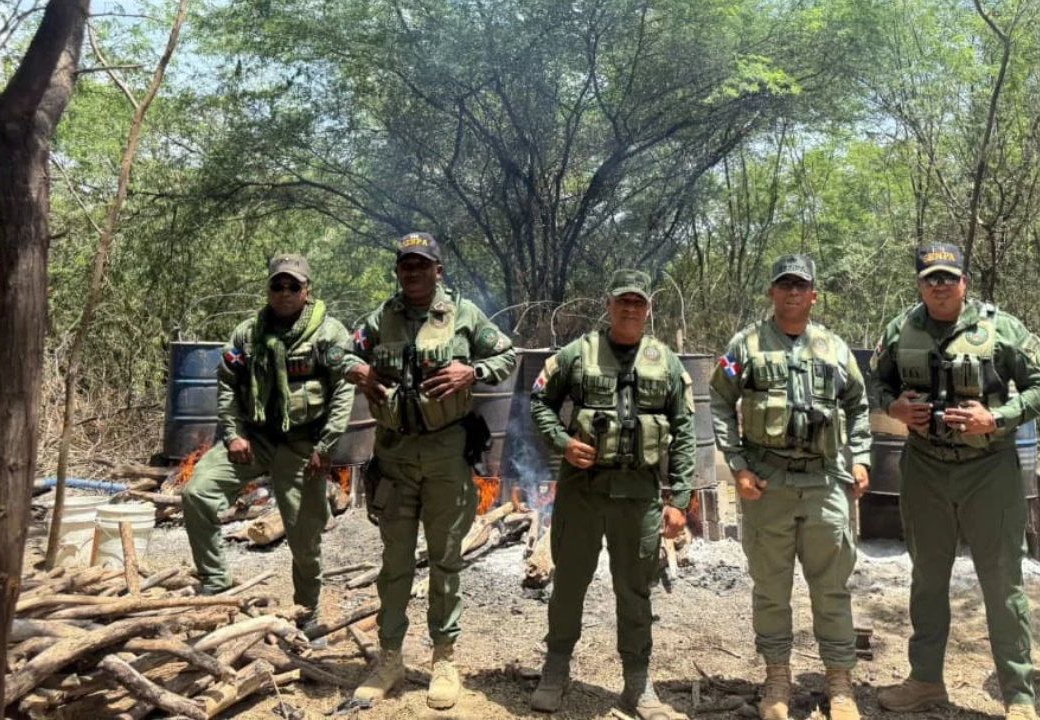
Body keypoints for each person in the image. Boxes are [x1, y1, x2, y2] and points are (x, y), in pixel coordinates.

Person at [869, 242, 1040, 720]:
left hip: (988, 471)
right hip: (925, 469)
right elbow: (876, 382)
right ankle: (926, 680)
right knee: (927, 579)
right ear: (919, 284)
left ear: (964, 282)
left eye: (948, 278)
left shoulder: (1000, 328)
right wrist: (892, 407)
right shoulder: (899, 329)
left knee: (1003, 584)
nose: (940, 286)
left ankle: (1017, 696)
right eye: (930, 278)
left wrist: (996, 418)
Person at [342, 232, 517, 710]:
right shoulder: (382, 318)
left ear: (438, 270)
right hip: (395, 456)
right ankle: (391, 659)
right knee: (395, 564)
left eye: (422, 265)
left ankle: (444, 659)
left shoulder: (462, 316)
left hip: (445, 455)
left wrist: (471, 373)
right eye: (406, 265)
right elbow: (340, 352)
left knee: (444, 561)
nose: (413, 272)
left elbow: (507, 356)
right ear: (398, 270)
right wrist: (358, 370)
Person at [708, 254, 870, 720]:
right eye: (784, 285)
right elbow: (720, 400)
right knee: (771, 589)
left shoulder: (836, 349)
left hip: (825, 484)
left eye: (801, 286)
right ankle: (776, 680)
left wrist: (860, 457)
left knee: (832, 588)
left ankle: (840, 685)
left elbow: (858, 406)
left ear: (814, 295)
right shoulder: (746, 347)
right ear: (772, 293)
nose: (792, 293)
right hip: (768, 485)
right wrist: (737, 465)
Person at [527, 269, 694, 720]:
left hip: (638, 495)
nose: (630, 308)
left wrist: (679, 498)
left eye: (638, 302)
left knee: (635, 590)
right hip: (582, 491)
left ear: (649, 309)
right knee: (569, 586)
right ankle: (556, 670)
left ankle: (637, 686)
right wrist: (563, 443)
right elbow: (539, 401)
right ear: (609, 304)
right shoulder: (577, 355)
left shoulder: (667, 362)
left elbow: (683, 429)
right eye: (623, 300)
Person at [184, 254, 354, 637]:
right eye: (277, 285)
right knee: (197, 493)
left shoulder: (328, 334)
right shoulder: (248, 334)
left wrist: (326, 444)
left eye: (293, 286)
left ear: (307, 291)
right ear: (269, 289)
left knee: (304, 539)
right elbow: (226, 383)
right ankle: (216, 584)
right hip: (254, 439)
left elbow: (344, 389)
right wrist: (233, 434)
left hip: (302, 445)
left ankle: (306, 616)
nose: (284, 293)